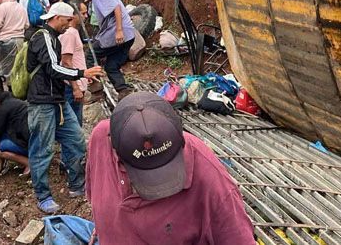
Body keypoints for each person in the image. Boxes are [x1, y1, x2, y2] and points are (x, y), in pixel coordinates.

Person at [86, 92, 255, 245]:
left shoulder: (212, 182)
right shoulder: (100, 140)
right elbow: (97, 195)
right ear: (113, 146)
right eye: (147, 173)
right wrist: (106, 226)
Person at [26, 2, 103, 213]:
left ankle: (77, 185)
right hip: (42, 102)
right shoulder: (43, 37)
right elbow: (53, 68)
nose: (69, 25)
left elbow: (56, 68)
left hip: (57, 100)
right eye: (68, 20)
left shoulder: (54, 38)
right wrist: (82, 74)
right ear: (57, 17)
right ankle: (43, 196)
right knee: (43, 149)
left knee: (76, 139)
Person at [70, 0, 135, 95]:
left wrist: (119, 30)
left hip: (117, 32)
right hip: (129, 34)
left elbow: (116, 7)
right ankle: (124, 91)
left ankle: (96, 89)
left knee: (90, 54)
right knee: (111, 66)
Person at [59, 2, 89, 125]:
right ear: (73, 15)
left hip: (75, 84)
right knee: (74, 126)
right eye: (83, 13)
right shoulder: (69, 34)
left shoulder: (74, 32)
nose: (86, 16)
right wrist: (76, 88)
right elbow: (66, 62)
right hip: (71, 87)